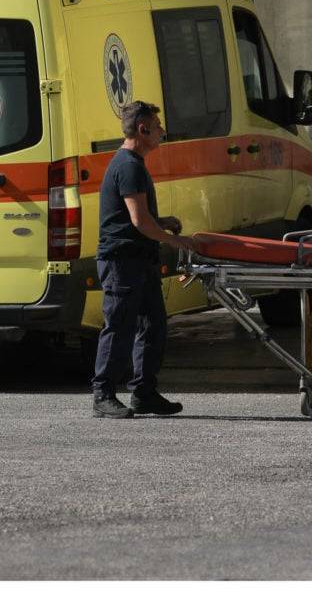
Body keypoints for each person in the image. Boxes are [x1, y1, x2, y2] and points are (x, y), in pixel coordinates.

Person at [92, 100, 196, 419]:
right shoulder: (129, 166)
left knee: (153, 326)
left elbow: (137, 217)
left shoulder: (134, 163)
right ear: (143, 129)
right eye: (157, 126)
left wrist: (162, 222)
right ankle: (103, 395)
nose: (162, 131)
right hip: (122, 261)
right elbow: (139, 222)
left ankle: (144, 393)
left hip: (140, 259)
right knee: (119, 327)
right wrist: (176, 241)